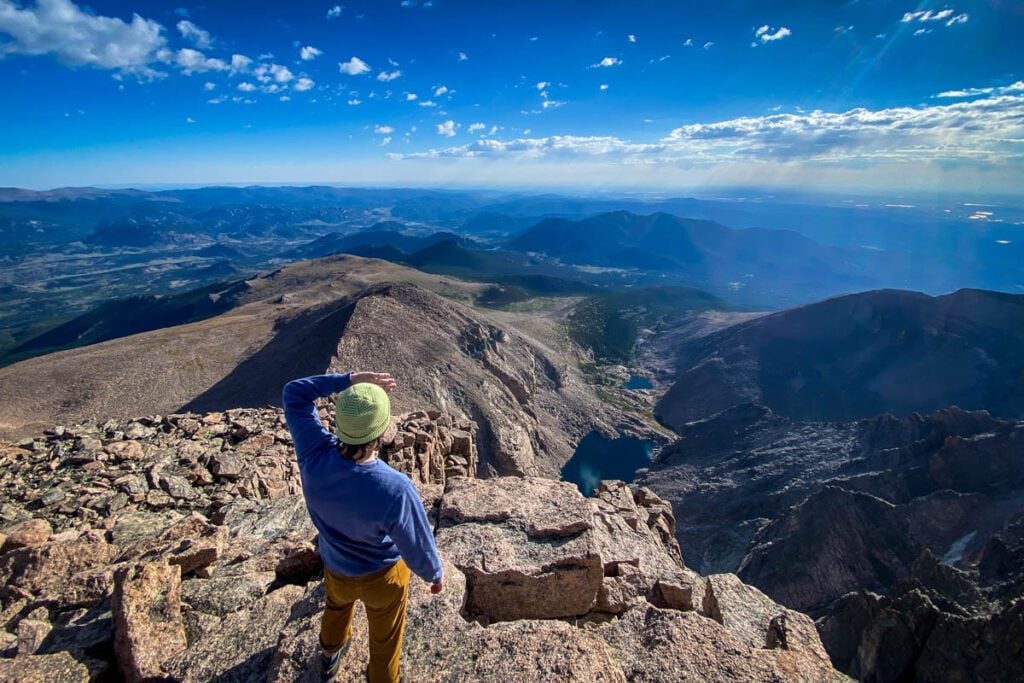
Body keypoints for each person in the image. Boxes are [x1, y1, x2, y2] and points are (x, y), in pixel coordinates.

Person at [282, 371, 444, 683]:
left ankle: (329, 654)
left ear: (340, 424)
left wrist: (349, 380)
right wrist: (434, 575)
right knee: (386, 640)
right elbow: (417, 543)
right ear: (382, 432)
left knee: (336, 606)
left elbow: (294, 393)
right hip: (382, 579)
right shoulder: (394, 488)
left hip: (336, 566)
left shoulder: (313, 455)